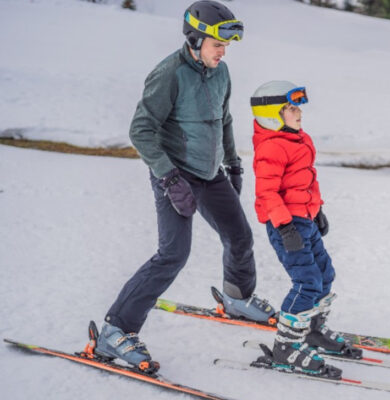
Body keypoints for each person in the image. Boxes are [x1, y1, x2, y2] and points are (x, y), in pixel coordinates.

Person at [94, 1, 275, 371]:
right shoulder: (169, 73)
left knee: (239, 237)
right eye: (217, 44)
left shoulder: (221, 72)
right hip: (174, 174)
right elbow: (140, 130)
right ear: (194, 38)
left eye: (226, 46)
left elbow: (223, 119)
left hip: (210, 173)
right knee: (173, 254)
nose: (224, 52)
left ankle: (237, 298)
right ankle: (115, 331)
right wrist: (168, 175)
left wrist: (233, 162)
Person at [250, 81, 362, 376]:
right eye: (290, 108)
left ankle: (313, 331)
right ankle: (285, 348)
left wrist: (318, 208)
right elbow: (267, 192)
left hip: (306, 219)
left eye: (298, 106)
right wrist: (285, 227)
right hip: (285, 224)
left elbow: (307, 181)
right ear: (273, 114)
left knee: (325, 274)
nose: (298, 112)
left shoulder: (301, 139)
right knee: (306, 283)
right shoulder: (271, 147)